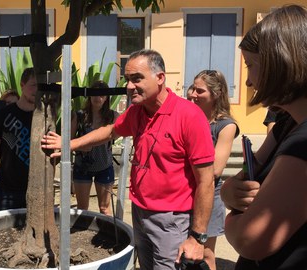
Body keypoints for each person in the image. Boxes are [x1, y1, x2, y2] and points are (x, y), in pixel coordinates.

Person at [42, 49, 215, 270]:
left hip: (171, 220)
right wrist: (69, 144)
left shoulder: (189, 116)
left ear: (160, 78)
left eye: (137, 79)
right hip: (140, 212)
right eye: (127, 80)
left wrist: (197, 237)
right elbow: (110, 131)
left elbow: (206, 181)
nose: (129, 86)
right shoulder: (137, 112)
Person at [222, 5, 307, 269]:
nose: (248, 82)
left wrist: (231, 221)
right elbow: (251, 170)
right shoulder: (285, 121)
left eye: (250, 65)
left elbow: (251, 239)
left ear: (279, 62)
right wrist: (228, 193)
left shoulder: (303, 141)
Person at [190, 69, 239, 270]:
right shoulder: (191, 116)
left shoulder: (226, 126)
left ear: (216, 94)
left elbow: (216, 170)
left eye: (199, 91)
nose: (193, 94)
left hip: (208, 197)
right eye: (192, 88)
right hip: (184, 194)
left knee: (206, 255)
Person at [0, 68, 36, 211]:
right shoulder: (2, 115)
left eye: (40, 86)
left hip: (36, 190)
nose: (36, 90)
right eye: (33, 85)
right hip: (7, 190)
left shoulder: (45, 117)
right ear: (22, 85)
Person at [71, 80, 119, 215]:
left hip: (104, 166)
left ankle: (108, 234)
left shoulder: (113, 116)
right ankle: (81, 234)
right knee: (82, 208)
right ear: (89, 96)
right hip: (83, 167)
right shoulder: (79, 116)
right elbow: (68, 141)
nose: (98, 98)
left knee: (105, 208)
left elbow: (120, 133)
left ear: (107, 98)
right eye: (95, 94)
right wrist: (80, 147)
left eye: (102, 95)